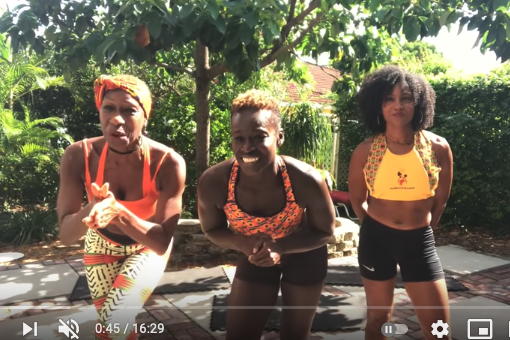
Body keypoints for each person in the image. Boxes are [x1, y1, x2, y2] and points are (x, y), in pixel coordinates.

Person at [197, 90, 336, 340]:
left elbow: (325, 231)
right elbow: (211, 229)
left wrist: (280, 247)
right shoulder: (214, 182)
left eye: (259, 137)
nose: (247, 147)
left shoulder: (305, 180)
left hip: (303, 251)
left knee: (295, 334)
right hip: (255, 255)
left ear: (278, 137)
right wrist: (244, 242)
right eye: (239, 138)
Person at [56, 75, 186, 340]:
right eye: (109, 108)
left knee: (114, 318)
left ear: (145, 116)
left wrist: (118, 212)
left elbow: (161, 242)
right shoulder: (78, 155)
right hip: (100, 244)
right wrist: (91, 208)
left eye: (129, 110)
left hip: (147, 246)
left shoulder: (168, 162)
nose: (116, 119)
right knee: (114, 328)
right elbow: (66, 235)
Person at [348, 65, 453, 340]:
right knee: (378, 321)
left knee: (439, 329)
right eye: (389, 99)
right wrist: (373, 228)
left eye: (406, 98)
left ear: (418, 103)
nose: (398, 105)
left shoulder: (438, 147)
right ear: (378, 105)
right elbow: (358, 199)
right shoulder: (365, 150)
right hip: (376, 241)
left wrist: (423, 226)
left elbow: (440, 198)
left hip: (419, 241)